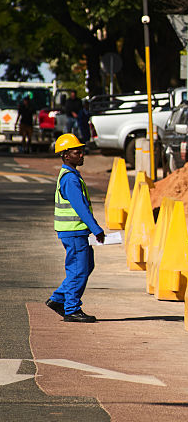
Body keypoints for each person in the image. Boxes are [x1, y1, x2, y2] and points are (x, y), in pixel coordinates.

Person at [46, 133, 105, 323]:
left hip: (74, 231)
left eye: (81, 151)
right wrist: (96, 228)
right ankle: (71, 308)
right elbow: (80, 207)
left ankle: (57, 299)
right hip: (74, 231)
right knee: (79, 270)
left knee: (85, 266)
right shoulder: (70, 179)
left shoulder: (70, 175)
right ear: (65, 155)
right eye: (76, 152)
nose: (81, 155)